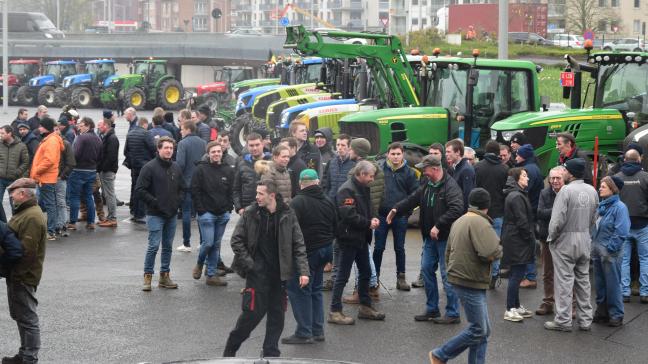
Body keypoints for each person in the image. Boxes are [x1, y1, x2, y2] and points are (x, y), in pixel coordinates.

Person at [223, 179, 310, 357]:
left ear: (272, 195)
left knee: (277, 316)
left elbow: (298, 243)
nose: (257, 197)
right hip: (257, 274)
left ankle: (271, 352)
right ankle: (230, 350)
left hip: (280, 275)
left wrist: (303, 271)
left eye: (260, 194)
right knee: (251, 316)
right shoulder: (250, 213)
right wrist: (250, 265)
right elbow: (236, 240)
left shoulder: (287, 213)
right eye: (256, 193)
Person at [429, 188, 502, 364]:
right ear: (487, 204)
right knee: (479, 329)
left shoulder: (460, 220)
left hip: (461, 277)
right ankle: (440, 354)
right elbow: (490, 251)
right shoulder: (480, 223)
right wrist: (499, 250)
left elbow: (447, 250)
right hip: (471, 280)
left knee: (484, 330)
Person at [389, 155, 464, 324]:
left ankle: (453, 313)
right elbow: (413, 198)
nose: (423, 172)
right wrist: (396, 209)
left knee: (447, 275)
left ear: (435, 169)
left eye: (426, 169)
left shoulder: (450, 187)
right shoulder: (427, 183)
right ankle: (432, 309)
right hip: (430, 239)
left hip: (445, 238)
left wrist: (438, 225)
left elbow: (457, 208)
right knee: (427, 270)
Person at [545, 158, 598, 332]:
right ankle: (585, 320)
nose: (564, 172)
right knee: (583, 280)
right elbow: (593, 218)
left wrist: (551, 237)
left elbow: (557, 220)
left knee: (564, 282)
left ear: (571, 173)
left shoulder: (565, 191)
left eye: (566, 170)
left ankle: (563, 320)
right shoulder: (592, 191)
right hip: (584, 237)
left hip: (566, 239)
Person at [329, 160, 385, 325]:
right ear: (361, 174)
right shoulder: (346, 190)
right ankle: (335, 311)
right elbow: (349, 215)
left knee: (366, 272)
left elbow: (369, 207)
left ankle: (365, 307)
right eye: (370, 176)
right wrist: (368, 223)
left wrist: (373, 216)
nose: (372, 179)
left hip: (361, 237)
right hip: (348, 239)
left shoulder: (363, 187)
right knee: (342, 276)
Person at [284, 169, 336, 344]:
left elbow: (289, 231)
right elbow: (335, 225)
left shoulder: (297, 202)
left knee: (299, 291)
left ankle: (304, 332)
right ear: (317, 182)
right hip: (325, 250)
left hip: (307, 253)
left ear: (300, 184)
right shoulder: (328, 200)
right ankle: (317, 330)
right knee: (315, 290)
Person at [3, 178, 47, 364]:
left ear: (23, 193)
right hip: (17, 275)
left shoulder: (31, 216)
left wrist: (18, 276)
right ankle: (24, 354)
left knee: (28, 318)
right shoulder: (25, 212)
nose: (11, 196)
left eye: (13, 192)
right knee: (20, 315)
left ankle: (29, 358)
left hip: (23, 276)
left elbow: (27, 252)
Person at [137, 136, 184, 291]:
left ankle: (164, 276)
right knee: (154, 246)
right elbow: (140, 190)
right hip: (155, 214)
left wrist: (177, 203)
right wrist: (156, 203)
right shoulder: (149, 168)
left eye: (171, 148)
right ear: (158, 149)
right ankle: (147, 277)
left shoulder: (176, 167)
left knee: (168, 246)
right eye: (166, 148)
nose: (169, 150)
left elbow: (182, 189)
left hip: (171, 214)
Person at [374, 142, 419, 290]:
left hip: (400, 217)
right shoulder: (379, 170)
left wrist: (406, 212)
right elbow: (373, 191)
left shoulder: (409, 173)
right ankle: (375, 277)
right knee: (379, 247)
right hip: (381, 215)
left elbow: (415, 195)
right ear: (388, 154)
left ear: (403, 155)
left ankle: (401, 278)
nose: (395, 157)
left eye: (398, 154)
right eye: (392, 154)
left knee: (399, 248)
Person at [191, 141, 234, 286]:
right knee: (208, 243)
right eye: (213, 152)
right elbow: (195, 191)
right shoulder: (200, 169)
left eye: (218, 151)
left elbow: (231, 191)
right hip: (206, 214)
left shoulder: (228, 170)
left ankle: (211, 274)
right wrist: (201, 210)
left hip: (222, 214)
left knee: (216, 245)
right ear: (208, 154)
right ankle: (199, 263)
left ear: (222, 153)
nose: (216, 154)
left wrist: (229, 207)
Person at [592, 176, 630, 327]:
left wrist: (610, 249)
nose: (600, 188)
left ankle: (616, 314)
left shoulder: (620, 207)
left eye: (603, 186)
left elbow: (621, 231)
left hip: (610, 253)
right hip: (597, 251)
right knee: (600, 283)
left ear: (613, 189)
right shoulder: (601, 206)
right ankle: (602, 312)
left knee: (613, 284)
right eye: (600, 186)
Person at [501, 167, 535, 322]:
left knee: (517, 273)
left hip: (514, 238)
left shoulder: (516, 194)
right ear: (517, 179)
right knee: (517, 275)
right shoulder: (516, 196)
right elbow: (522, 221)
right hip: (517, 240)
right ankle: (510, 309)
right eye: (524, 176)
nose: (527, 178)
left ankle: (516, 305)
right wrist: (529, 237)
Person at [614, 148, 648, 303]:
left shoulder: (616, 178)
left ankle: (625, 292)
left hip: (623, 225)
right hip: (642, 225)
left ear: (625, 160)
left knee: (625, 259)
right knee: (644, 258)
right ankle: (644, 292)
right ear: (639, 159)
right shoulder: (645, 177)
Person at [474, 140, 508, 289]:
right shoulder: (504, 169)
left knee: (478, 245)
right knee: (494, 246)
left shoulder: (477, 167)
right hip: (498, 212)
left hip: (480, 213)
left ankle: (480, 274)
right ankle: (494, 275)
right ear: (497, 152)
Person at [535, 166, 566, 316]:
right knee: (547, 272)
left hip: (565, 239)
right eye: (552, 178)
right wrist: (559, 209)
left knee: (566, 273)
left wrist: (552, 211)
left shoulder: (569, 192)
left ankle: (569, 305)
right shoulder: (544, 193)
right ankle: (548, 302)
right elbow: (540, 213)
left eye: (558, 178)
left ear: (564, 178)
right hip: (547, 238)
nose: (554, 181)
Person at [514, 143, 543, 289]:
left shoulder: (528, 170)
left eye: (518, 154)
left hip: (529, 211)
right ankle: (528, 275)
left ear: (524, 156)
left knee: (527, 244)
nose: (516, 156)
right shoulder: (534, 167)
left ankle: (530, 276)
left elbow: (524, 190)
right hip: (532, 210)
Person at [29, 116, 64, 241]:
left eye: (41, 126)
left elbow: (49, 160)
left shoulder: (52, 141)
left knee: (50, 205)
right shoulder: (49, 139)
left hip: (46, 178)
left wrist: (36, 171)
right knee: (44, 204)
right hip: (45, 178)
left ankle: (51, 231)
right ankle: (49, 229)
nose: (39, 128)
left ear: (47, 127)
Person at [175, 121, 207, 252]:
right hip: (200, 183)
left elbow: (180, 164)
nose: (180, 131)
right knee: (201, 213)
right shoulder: (203, 143)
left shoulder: (182, 143)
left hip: (187, 183)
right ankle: (202, 241)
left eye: (182, 129)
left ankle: (186, 243)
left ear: (188, 129)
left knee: (186, 213)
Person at [67, 117, 103, 231]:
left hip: (78, 171)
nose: (79, 127)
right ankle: (91, 222)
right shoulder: (98, 139)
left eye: (81, 125)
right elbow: (100, 156)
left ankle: (72, 222)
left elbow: (75, 155)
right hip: (91, 171)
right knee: (88, 196)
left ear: (88, 126)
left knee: (75, 197)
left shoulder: (81, 138)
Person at [124, 117, 155, 223]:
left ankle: (134, 211)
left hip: (134, 166)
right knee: (143, 189)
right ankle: (141, 214)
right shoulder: (146, 134)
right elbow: (153, 148)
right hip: (145, 166)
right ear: (145, 124)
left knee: (135, 188)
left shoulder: (130, 133)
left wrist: (133, 160)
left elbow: (125, 151)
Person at [233, 133, 271, 215]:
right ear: (247, 146)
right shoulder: (241, 164)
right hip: (247, 209)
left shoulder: (271, 163)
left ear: (262, 144)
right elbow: (236, 188)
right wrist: (239, 208)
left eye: (257, 145)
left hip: (268, 209)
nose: (254, 148)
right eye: (251, 145)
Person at [0, 125, 29, 223]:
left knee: (15, 204)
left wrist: (16, 173)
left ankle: (15, 225)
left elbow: (25, 163)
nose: (1, 135)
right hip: (0, 178)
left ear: (9, 133)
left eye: (2, 133)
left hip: (14, 180)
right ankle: (3, 224)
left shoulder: (21, 146)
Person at [96, 117, 120, 228]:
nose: (98, 127)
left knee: (109, 195)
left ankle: (112, 218)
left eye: (100, 125)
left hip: (108, 171)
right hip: (106, 170)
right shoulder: (108, 137)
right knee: (108, 194)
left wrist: (102, 168)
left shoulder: (112, 138)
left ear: (105, 126)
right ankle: (110, 217)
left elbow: (111, 157)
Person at [321, 134, 355, 203]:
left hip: (346, 203)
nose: (339, 148)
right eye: (338, 145)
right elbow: (325, 183)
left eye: (343, 145)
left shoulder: (354, 164)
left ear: (349, 147)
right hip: (331, 203)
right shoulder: (331, 162)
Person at [445, 138, 475, 212]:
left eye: (448, 152)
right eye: (446, 152)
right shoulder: (456, 168)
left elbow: (467, 196)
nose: (446, 154)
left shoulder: (466, 170)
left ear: (457, 152)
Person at [55, 135, 75, 237]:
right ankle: (58, 223)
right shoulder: (51, 143)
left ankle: (62, 224)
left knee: (61, 201)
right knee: (55, 202)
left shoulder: (65, 144)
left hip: (59, 178)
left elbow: (71, 163)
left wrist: (62, 176)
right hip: (51, 178)